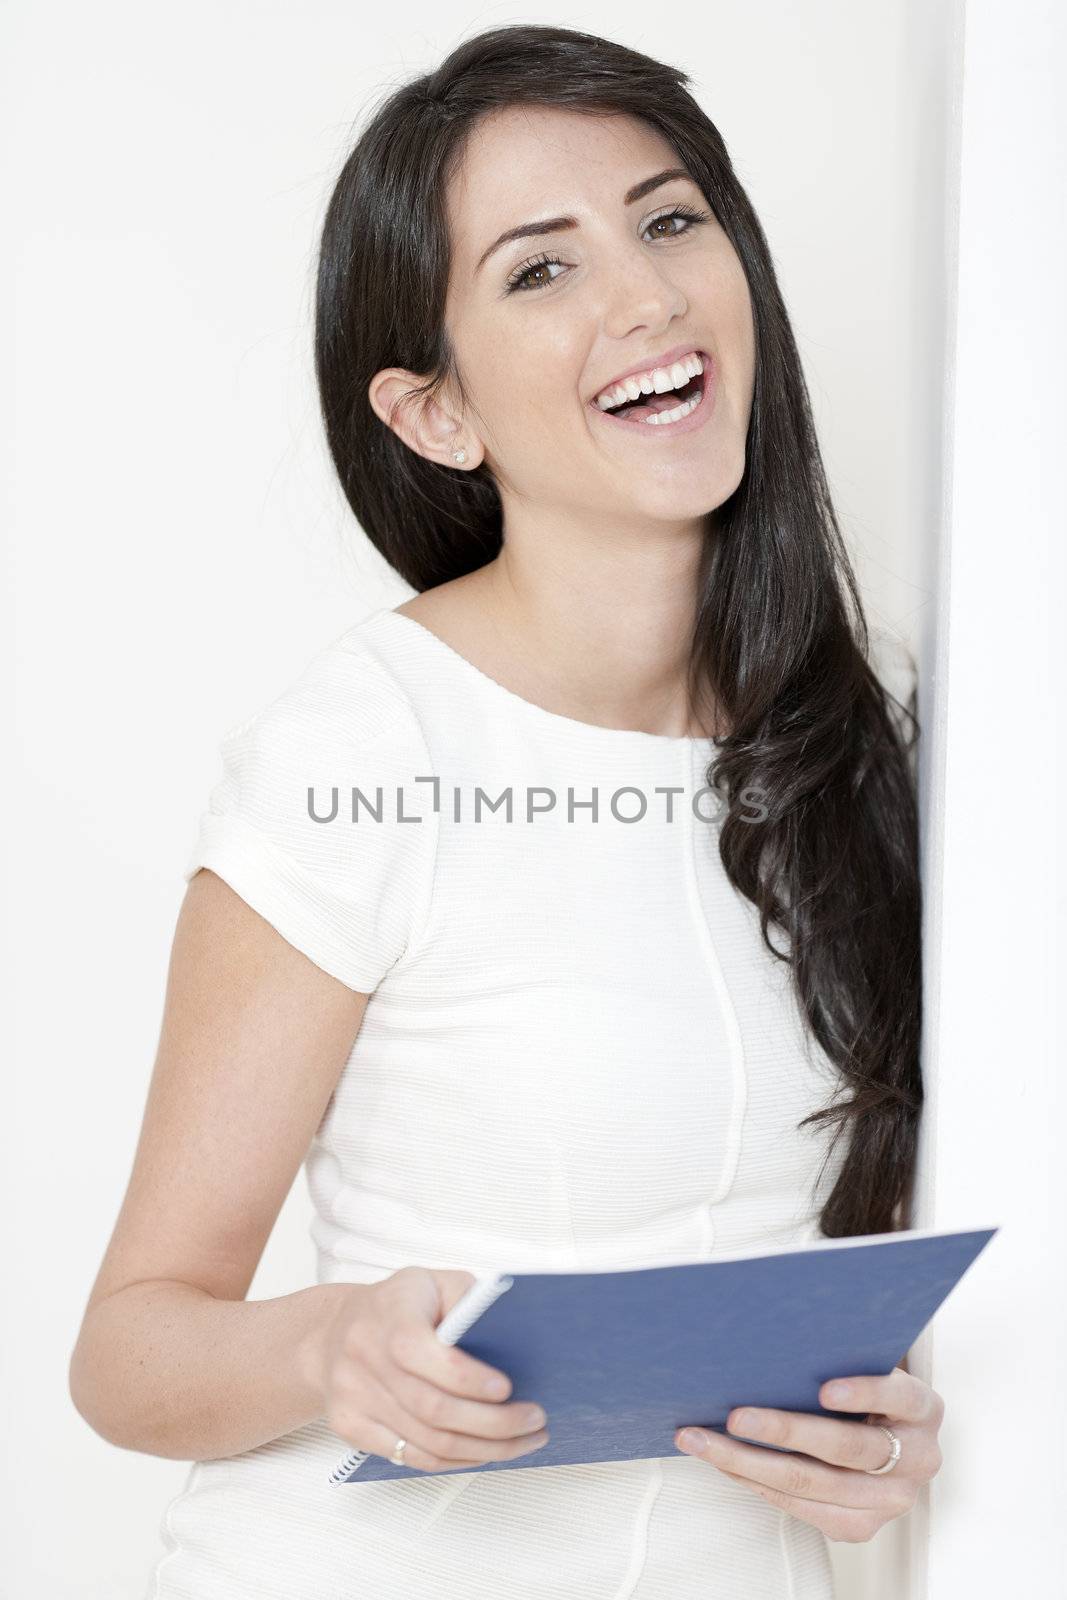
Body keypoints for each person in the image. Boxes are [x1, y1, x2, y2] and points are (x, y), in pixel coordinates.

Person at [68, 23, 945, 1600]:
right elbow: (130, 1351)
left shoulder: (869, 740)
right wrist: (335, 1344)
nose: (648, 295)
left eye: (671, 220)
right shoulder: (366, 747)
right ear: (435, 416)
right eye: (542, 271)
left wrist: (888, 1443)